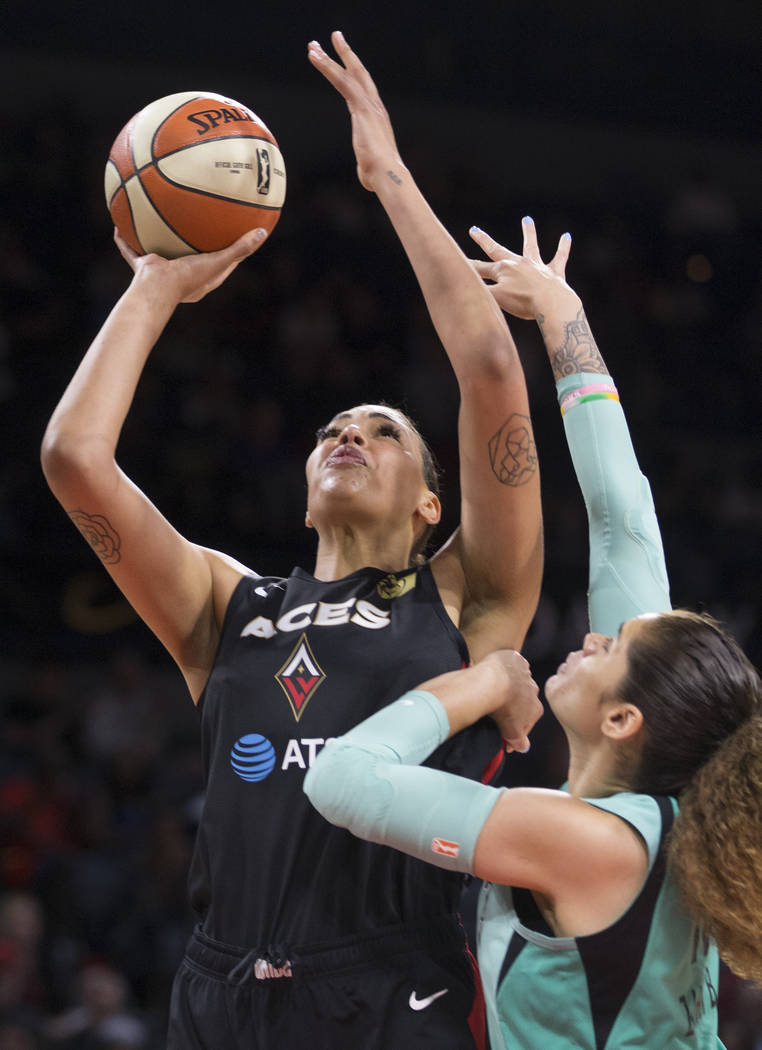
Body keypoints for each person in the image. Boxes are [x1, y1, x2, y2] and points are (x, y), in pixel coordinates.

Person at [41, 32, 543, 1050]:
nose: (345, 433)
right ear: (306, 495)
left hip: (391, 984)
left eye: (382, 429)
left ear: (430, 509)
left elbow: (490, 364)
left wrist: (390, 179)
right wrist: (153, 287)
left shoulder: (467, 596)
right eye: (331, 429)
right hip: (218, 984)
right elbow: (74, 461)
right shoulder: (226, 605)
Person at [305, 219, 762, 1049]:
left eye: (610, 648)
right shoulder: (668, 806)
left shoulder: (583, 839)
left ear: (625, 720)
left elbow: (341, 782)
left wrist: (478, 686)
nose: (591, 638)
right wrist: (562, 320)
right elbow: (624, 524)